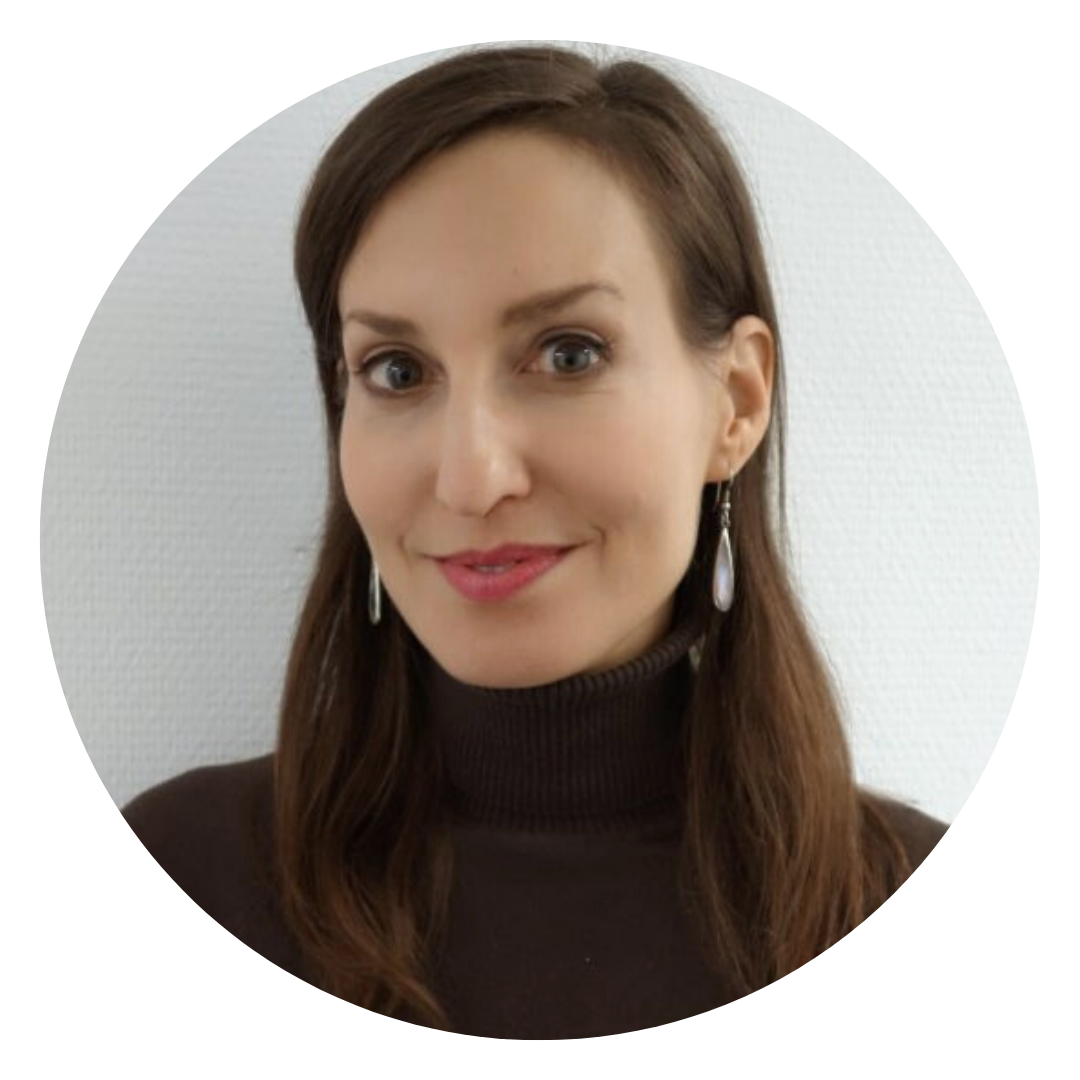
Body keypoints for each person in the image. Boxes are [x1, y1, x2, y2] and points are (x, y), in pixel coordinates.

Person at [123, 43, 948, 1039]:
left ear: (734, 402)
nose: (470, 479)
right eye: (396, 371)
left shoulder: (929, 917)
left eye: (568, 354)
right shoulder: (168, 882)